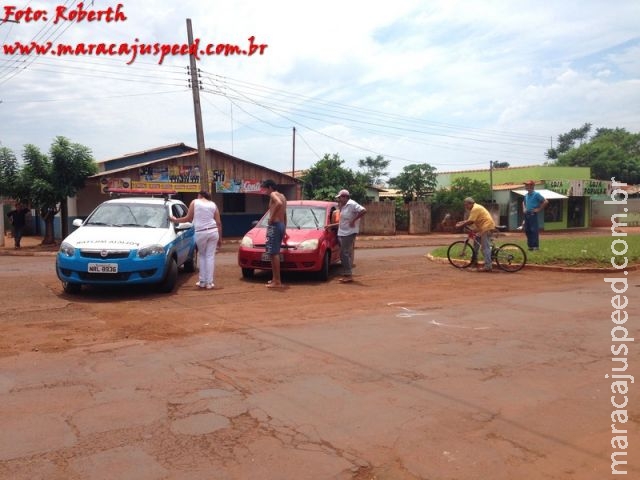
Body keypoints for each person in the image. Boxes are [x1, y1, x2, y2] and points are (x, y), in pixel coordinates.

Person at [169, 191, 222, 290]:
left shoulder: (195, 202)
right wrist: (220, 238)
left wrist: (175, 220)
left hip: (201, 232)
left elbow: (188, 218)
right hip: (213, 231)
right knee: (210, 257)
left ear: (200, 195)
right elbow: (218, 223)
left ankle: (202, 282)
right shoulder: (213, 204)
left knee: (202, 256)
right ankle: (209, 283)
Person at [456, 197, 496, 272]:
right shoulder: (476, 207)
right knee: (476, 242)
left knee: (485, 247)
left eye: (466, 205)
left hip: (486, 227)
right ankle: (474, 261)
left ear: (470, 203)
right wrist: (462, 222)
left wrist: (460, 225)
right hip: (482, 227)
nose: (466, 207)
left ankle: (488, 266)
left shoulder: (475, 208)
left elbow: (471, 221)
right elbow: (470, 220)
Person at [335, 189, 366, 283]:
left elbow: (363, 210)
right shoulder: (343, 206)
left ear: (344, 197)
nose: (339, 199)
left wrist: (353, 220)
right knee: (343, 253)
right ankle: (346, 273)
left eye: (340, 197)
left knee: (344, 253)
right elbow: (342, 220)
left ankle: (348, 275)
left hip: (349, 232)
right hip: (342, 232)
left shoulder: (352, 204)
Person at [261, 179, 287, 289]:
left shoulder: (273, 194)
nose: (265, 191)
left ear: (270, 187)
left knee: (273, 253)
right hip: (280, 225)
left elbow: (278, 203)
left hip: (275, 225)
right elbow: (285, 213)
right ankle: (275, 279)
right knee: (273, 252)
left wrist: (271, 218)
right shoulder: (283, 196)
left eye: (265, 188)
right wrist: (284, 228)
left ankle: (277, 281)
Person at [522, 180, 548, 251]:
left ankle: (535, 246)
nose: (527, 186)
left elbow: (545, 201)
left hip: (533, 214)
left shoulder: (536, 194)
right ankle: (530, 246)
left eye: (528, 185)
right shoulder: (526, 195)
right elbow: (523, 202)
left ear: (532, 186)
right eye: (526, 185)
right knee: (527, 230)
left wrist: (539, 209)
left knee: (534, 230)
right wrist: (524, 208)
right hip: (527, 214)